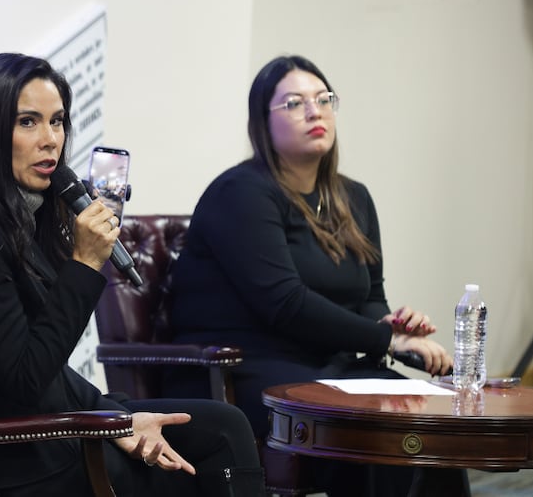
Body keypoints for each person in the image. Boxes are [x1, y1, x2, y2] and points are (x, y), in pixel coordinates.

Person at [0, 52, 265, 497]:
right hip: (19, 459)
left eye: (58, 122)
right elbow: (25, 377)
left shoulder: (7, 214)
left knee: (226, 425)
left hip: (49, 427)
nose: (51, 140)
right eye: (28, 122)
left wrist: (113, 416)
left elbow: (38, 367)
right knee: (215, 451)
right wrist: (86, 262)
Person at [163, 54, 453, 497]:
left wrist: (393, 327)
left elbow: (369, 296)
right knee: (376, 424)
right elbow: (285, 304)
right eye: (295, 103)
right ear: (263, 121)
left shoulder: (353, 197)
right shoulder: (241, 192)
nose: (315, 111)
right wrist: (387, 341)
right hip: (241, 370)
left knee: (435, 422)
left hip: (325, 367)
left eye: (323, 99)